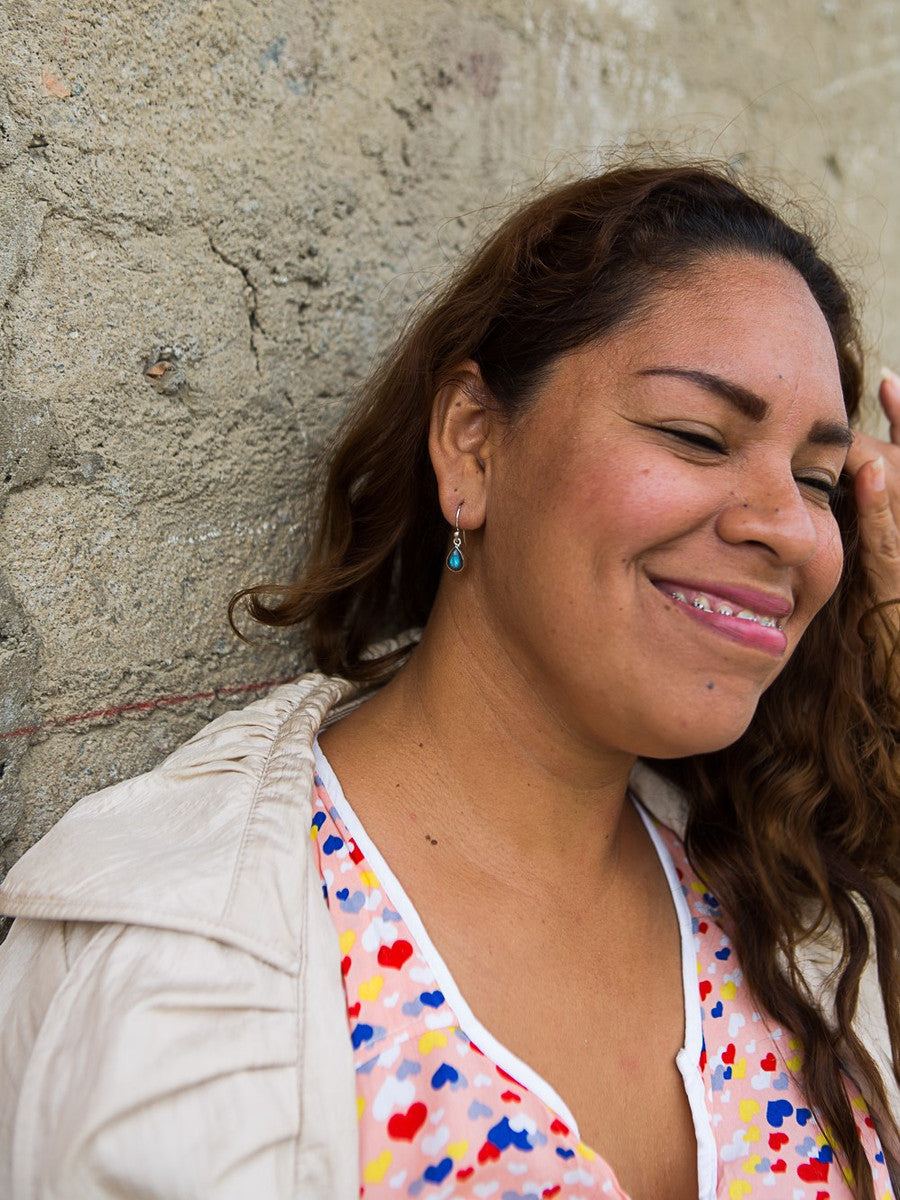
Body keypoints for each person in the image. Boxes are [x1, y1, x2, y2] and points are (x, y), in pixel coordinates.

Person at [0, 162, 897, 1200]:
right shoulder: (173, 974)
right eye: (697, 437)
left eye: (819, 482)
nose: (788, 525)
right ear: (472, 444)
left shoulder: (799, 917)